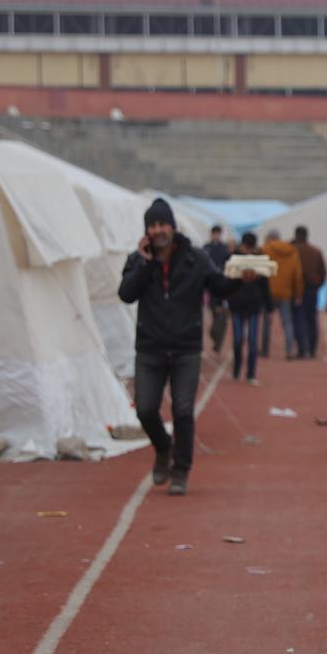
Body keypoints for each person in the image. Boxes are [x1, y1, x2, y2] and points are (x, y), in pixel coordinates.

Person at [118, 199, 255, 496]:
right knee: (144, 409)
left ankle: (181, 470)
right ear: (146, 230)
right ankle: (163, 447)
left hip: (185, 347)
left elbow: (219, 286)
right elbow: (126, 294)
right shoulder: (138, 259)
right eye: (152, 225)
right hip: (150, 347)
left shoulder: (196, 258)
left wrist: (240, 281)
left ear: (172, 226)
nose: (157, 231)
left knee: (182, 411)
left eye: (162, 224)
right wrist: (144, 263)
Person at [224, 232, 269, 385]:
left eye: (250, 248)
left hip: (254, 305)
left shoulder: (260, 260)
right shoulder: (233, 258)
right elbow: (226, 279)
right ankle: (237, 369)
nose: (248, 251)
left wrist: (268, 303)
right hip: (237, 304)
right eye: (246, 247)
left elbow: (265, 284)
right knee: (237, 340)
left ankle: (251, 373)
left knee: (252, 341)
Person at [260, 228, 304, 360]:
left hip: (268, 291)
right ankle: (290, 349)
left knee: (267, 321)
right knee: (287, 323)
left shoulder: (264, 249)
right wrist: (298, 294)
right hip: (286, 292)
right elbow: (298, 275)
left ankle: (265, 349)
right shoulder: (291, 251)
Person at [291, 225, 327, 360]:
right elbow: (323, 272)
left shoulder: (293, 251)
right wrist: (318, 285)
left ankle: (302, 349)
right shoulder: (316, 251)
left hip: (297, 290)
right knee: (312, 319)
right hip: (313, 289)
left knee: (298, 319)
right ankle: (312, 348)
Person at [204, 225, 232, 356]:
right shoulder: (206, 248)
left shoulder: (224, 249)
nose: (216, 236)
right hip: (209, 285)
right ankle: (215, 335)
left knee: (221, 314)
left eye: (218, 233)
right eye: (214, 233)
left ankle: (218, 342)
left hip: (221, 284)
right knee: (213, 311)